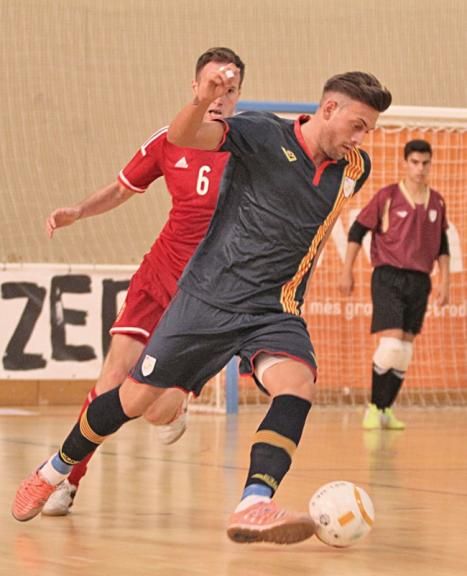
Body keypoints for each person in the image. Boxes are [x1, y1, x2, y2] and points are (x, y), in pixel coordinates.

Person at [12, 68, 392, 545]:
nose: (363, 138)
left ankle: (254, 502)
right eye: (358, 125)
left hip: (274, 307)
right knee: (133, 400)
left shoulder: (355, 168)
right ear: (329, 108)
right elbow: (184, 136)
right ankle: (54, 469)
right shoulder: (259, 133)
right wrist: (203, 100)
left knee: (297, 386)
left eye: (370, 130)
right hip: (206, 299)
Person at [40, 47, 245, 517]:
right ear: (194, 88)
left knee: (154, 409)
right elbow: (120, 188)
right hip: (158, 274)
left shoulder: (247, 146)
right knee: (111, 378)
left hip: (206, 291)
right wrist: (78, 210)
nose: (219, 96)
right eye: (211, 85)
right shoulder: (169, 139)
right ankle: (68, 479)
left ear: (238, 97)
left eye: (229, 90)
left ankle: (179, 400)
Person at [339, 139, 450, 430]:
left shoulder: (437, 201)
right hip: (388, 275)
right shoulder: (388, 196)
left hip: (420, 280)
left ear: (430, 164)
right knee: (390, 345)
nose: (420, 168)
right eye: (414, 162)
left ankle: (386, 409)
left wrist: (445, 281)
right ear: (405, 163)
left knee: (405, 350)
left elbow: (443, 245)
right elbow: (357, 229)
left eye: (425, 163)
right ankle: (374, 408)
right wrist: (347, 269)